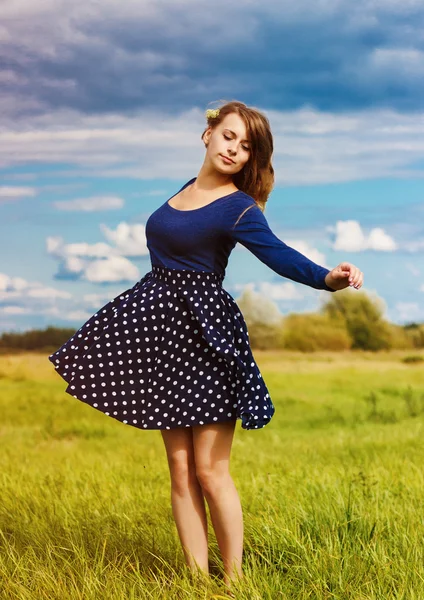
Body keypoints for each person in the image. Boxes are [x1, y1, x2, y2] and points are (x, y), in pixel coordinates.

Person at [48, 100, 363, 592]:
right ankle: (197, 581)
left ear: (251, 159)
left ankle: (234, 583)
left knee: (210, 470)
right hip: (163, 340)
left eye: (246, 146)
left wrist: (328, 278)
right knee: (178, 469)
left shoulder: (237, 207)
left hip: (206, 341)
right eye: (229, 136)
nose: (234, 148)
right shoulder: (184, 190)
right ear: (208, 134)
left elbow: (280, 256)